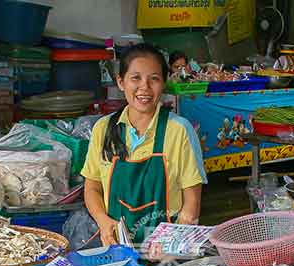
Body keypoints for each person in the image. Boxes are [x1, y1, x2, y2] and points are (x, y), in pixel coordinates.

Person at [81, 44, 207, 247]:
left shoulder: (179, 131)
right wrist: (104, 223)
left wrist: (174, 245)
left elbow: (191, 202)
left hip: (167, 251)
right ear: (121, 82)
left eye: (154, 79)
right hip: (116, 247)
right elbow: (92, 187)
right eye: (135, 78)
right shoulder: (103, 129)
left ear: (164, 83)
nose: (144, 88)